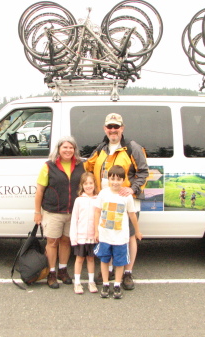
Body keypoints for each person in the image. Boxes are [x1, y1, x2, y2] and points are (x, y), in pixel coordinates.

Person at [85, 112, 149, 291]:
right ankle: (110, 270)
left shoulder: (132, 147)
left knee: (127, 236)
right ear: (105, 129)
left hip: (125, 200)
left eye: (116, 127)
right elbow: (88, 166)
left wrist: (133, 189)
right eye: (109, 127)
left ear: (122, 128)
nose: (113, 130)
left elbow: (143, 172)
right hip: (105, 200)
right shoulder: (101, 148)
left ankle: (127, 272)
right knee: (109, 234)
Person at [34, 136, 85, 289]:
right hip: (53, 212)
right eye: (65, 147)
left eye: (71, 147)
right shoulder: (48, 166)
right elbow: (40, 191)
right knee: (52, 242)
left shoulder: (81, 166)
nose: (68, 150)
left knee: (66, 241)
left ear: (75, 150)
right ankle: (51, 273)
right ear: (58, 149)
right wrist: (37, 212)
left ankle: (63, 270)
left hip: (73, 212)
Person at [94, 165, 142, 299]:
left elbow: (132, 215)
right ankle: (105, 284)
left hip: (120, 237)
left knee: (120, 262)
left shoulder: (127, 196)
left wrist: (137, 231)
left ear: (123, 180)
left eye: (118, 179)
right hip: (105, 235)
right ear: (108, 179)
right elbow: (97, 212)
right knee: (104, 260)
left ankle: (116, 285)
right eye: (112, 178)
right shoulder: (103, 193)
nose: (115, 182)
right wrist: (96, 231)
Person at [70, 172, 99, 294]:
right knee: (80, 259)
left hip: (93, 237)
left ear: (94, 184)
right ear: (82, 185)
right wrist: (73, 237)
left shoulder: (98, 200)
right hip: (81, 237)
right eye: (85, 183)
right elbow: (74, 219)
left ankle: (91, 282)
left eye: (90, 183)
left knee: (91, 259)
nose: (88, 186)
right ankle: (77, 283)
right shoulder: (78, 200)